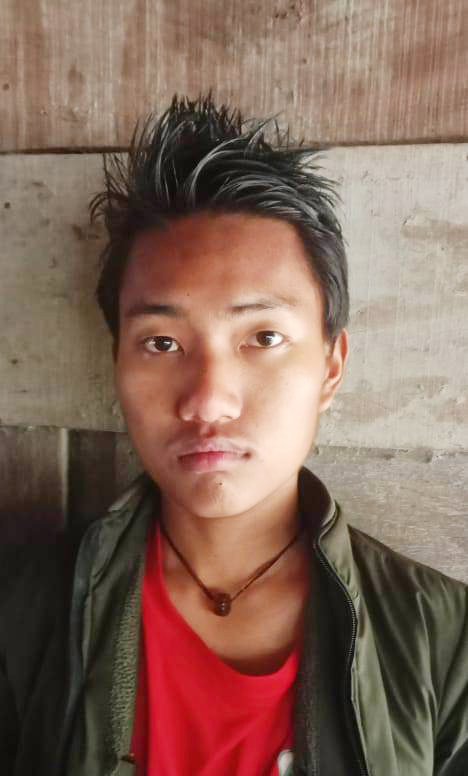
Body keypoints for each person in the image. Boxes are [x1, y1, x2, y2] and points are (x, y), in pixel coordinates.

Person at [1, 94, 467, 776]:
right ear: (116, 362)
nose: (207, 401)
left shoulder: (446, 645)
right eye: (162, 342)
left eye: (264, 337)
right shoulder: (22, 616)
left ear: (331, 367)